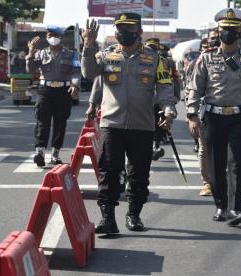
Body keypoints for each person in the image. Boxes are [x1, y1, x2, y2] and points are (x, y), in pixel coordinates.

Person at [82, 13, 177, 233]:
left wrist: (169, 111)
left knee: (139, 174)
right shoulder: (106, 55)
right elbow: (88, 74)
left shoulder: (156, 59)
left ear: (139, 31)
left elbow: (164, 88)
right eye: (120, 28)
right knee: (109, 170)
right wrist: (88, 45)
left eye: (129, 28)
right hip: (111, 124)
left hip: (142, 125)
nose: (123, 32)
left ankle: (134, 215)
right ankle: (108, 218)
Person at [187, 8, 241, 226]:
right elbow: (195, 89)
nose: (229, 33)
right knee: (216, 166)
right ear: (218, 30)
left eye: (233, 29)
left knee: (237, 164)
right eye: (225, 29)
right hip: (214, 119)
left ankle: (235, 209)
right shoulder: (205, 58)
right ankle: (221, 206)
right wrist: (192, 115)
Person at [26, 25, 81, 166]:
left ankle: (55, 154)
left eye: (56, 36)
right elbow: (30, 69)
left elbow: (76, 71)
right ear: (46, 37)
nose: (53, 38)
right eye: (50, 35)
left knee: (60, 123)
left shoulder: (72, 54)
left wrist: (74, 85)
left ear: (61, 38)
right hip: (45, 90)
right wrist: (31, 53)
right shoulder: (41, 53)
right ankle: (40, 152)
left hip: (63, 91)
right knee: (42, 121)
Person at [184, 36, 213, 197]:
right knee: (204, 147)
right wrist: (191, 114)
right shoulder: (195, 64)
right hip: (202, 112)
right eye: (207, 46)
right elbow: (189, 91)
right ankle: (207, 182)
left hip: (224, 112)